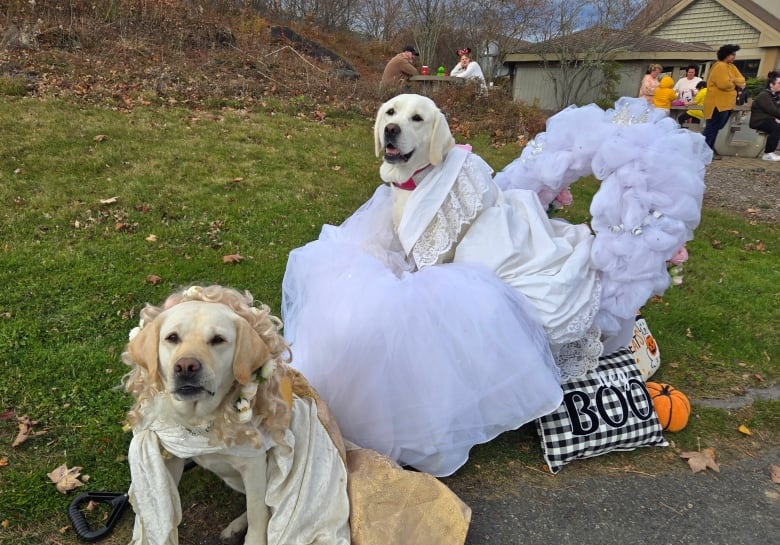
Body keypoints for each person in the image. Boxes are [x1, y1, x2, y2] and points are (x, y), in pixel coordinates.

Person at [282, 96, 711, 477]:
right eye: (390, 116)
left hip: (495, 249)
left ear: (434, 136)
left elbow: (451, 247)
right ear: (379, 130)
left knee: (437, 309)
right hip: (456, 249)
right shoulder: (402, 180)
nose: (396, 125)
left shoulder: (457, 175)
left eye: (415, 119)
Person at [702, 44, 746, 158]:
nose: (734, 56)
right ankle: (704, 151)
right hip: (716, 104)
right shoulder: (719, 66)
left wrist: (734, 80)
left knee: (717, 128)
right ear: (726, 54)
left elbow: (742, 81)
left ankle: (709, 150)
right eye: (732, 54)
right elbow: (724, 84)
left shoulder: (732, 67)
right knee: (712, 128)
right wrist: (734, 84)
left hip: (727, 104)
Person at [748, 71, 780, 161]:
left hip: (769, 119)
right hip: (760, 121)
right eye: (779, 83)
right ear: (771, 84)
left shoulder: (775, 96)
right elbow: (772, 110)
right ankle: (768, 153)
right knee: (777, 127)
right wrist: (776, 118)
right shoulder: (764, 95)